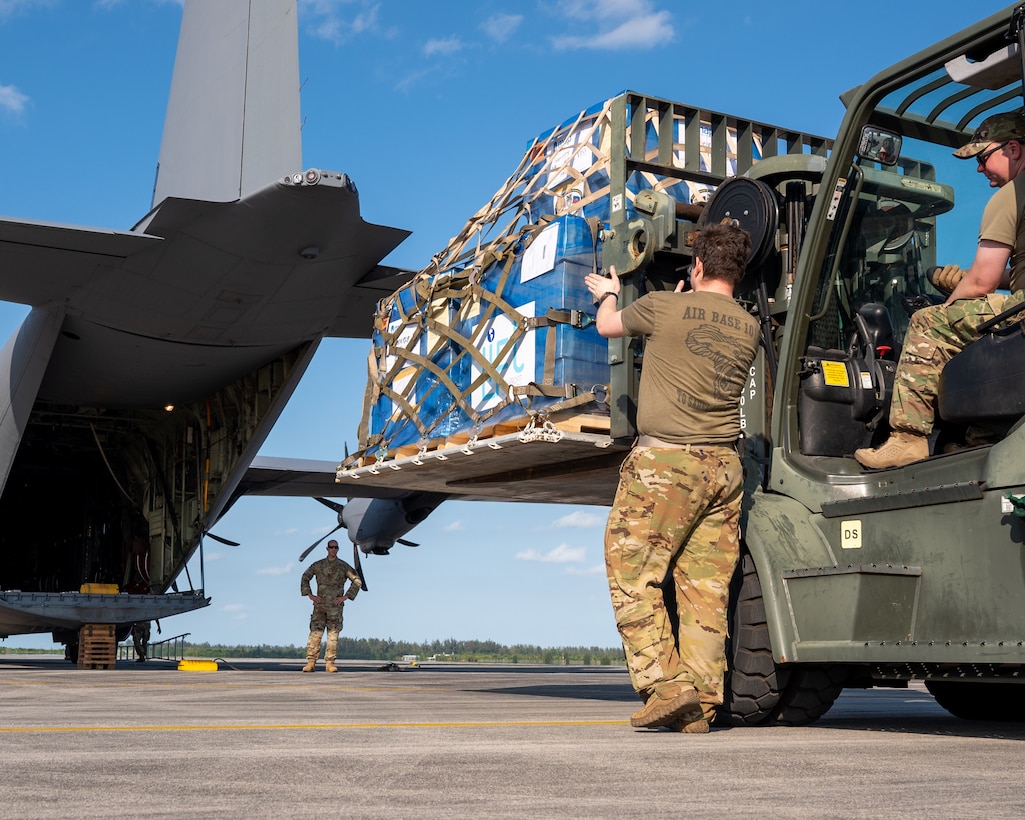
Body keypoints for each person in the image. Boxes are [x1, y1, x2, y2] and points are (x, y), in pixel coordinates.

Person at [584, 221, 759, 732]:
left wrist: (611, 294)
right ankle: (701, 707)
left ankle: (666, 686)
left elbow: (608, 327)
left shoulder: (663, 307)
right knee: (705, 591)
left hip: (667, 465)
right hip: (724, 470)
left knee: (632, 571)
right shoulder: (748, 326)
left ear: (698, 265)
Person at [855, 110, 1025, 469]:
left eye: (982, 158)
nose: (980, 169)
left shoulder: (1012, 194)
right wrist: (962, 277)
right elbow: (1004, 276)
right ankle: (978, 434)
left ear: (1013, 149)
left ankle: (907, 438)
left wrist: (949, 301)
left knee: (928, 323)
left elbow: (982, 282)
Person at [300, 539, 362, 672]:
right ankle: (311, 662)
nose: (333, 549)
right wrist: (310, 595)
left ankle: (330, 663)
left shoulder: (343, 566)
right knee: (315, 634)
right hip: (320, 606)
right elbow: (305, 577)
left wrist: (345, 597)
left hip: (335, 607)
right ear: (327, 549)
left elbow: (357, 581)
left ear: (338, 549)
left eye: (336, 547)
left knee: (333, 636)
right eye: (331, 547)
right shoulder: (318, 565)